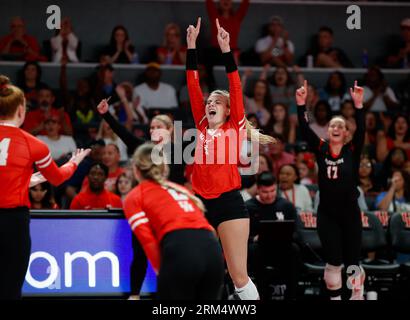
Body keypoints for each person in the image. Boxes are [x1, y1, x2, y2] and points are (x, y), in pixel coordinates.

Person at [186, 18, 275, 300]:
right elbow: (192, 84)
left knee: (238, 276)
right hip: (199, 204)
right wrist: (191, 46)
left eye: (216, 101)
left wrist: (226, 50)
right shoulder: (201, 125)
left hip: (228, 203)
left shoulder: (234, 125)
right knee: (196, 271)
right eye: (208, 101)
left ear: (228, 110)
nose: (210, 103)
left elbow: (235, 87)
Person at [0, 75, 89, 299]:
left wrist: (26, 181)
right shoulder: (33, 143)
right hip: (13, 221)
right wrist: (73, 163)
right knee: (10, 287)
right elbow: (58, 179)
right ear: (21, 110)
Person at [123, 143, 224, 299]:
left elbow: (147, 242)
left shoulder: (134, 196)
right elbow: (208, 227)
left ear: (136, 170)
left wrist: (163, 275)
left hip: (181, 250)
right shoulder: (180, 189)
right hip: (213, 252)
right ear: (164, 167)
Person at [296, 79, 366, 300]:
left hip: (350, 214)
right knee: (334, 262)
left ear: (346, 133)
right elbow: (305, 129)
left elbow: (362, 129)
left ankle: (356, 297)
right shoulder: (321, 148)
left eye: (340, 126)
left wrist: (358, 106)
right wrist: (301, 104)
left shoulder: (352, 150)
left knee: (353, 263)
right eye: (333, 125)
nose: (336, 128)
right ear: (327, 131)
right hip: (327, 215)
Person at [245, 171, 300, 300]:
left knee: (294, 250)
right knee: (254, 250)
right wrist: (254, 238)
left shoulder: (286, 206)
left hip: (281, 247)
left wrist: (287, 236)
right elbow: (241, 236)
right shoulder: (248, 207)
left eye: (272, 191)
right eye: (265, 192)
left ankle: (292, 295)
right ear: (258, 189)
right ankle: (261, 295)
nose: (269, 195)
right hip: (259, 248)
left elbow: (297, 231)